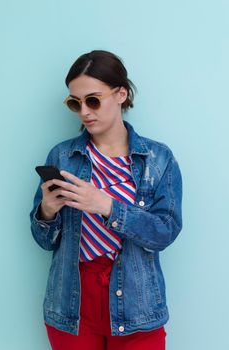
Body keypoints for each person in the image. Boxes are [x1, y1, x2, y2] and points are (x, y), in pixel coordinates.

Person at [30, 50, 182, 350]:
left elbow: (165, 232)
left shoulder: (158, 159)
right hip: (72, 306)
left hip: (138, 306)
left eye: (94, 100)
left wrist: (107, 206)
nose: (85, 111)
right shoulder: (62, 156)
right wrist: (47, 212)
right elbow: (44, 241)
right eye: (75, 103)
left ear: (121, 94)